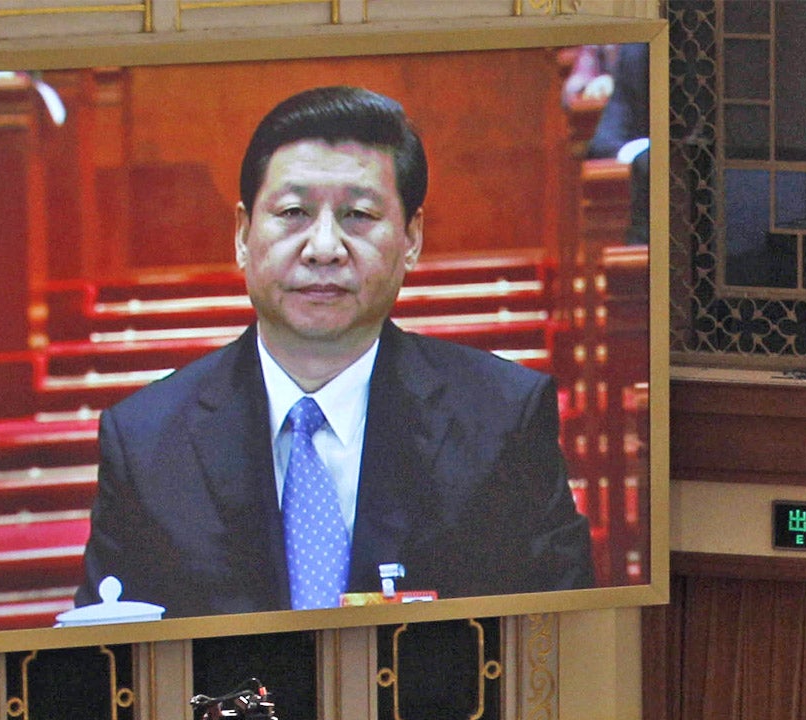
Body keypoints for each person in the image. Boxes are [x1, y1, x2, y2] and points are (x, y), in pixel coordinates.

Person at [76, 86, 591, 618]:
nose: (324, 248)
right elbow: (110, 662)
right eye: (294, 212)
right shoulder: (146, 441)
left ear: (412, 237)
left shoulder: (501, 419)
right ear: (241, 234)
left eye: (358, 215)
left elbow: (559, 645)